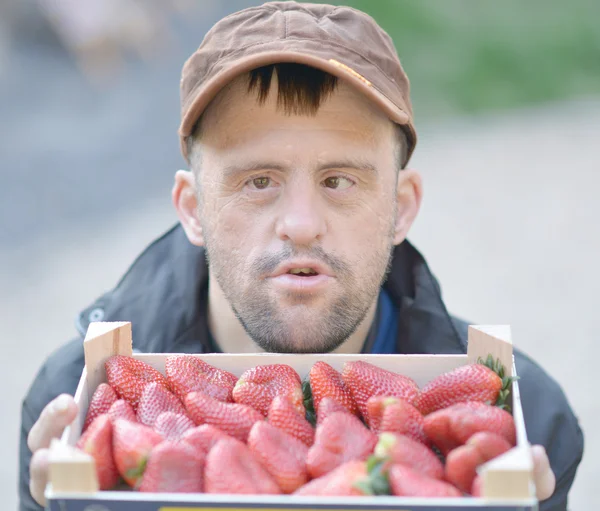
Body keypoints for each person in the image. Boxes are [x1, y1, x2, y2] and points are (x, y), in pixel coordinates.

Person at [19, 2, 583, 510]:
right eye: (259, 180)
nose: (302, 224)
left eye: (339, 180)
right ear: (192, 208)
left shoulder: (525, 420)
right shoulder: (74, 403)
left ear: (401, 206)